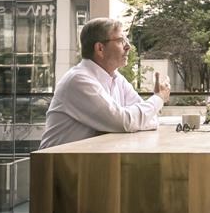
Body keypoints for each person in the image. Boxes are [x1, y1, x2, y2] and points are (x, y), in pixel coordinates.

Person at [39, 17, 170, 149]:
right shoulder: (79, 80)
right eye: (121, 41)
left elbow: (148, 118)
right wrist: (159, 98)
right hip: (57, 165)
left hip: (87, 163)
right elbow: (126, 122)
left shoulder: (117, 78)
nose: (128, 46)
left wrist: (132, 121)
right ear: (100, 48)